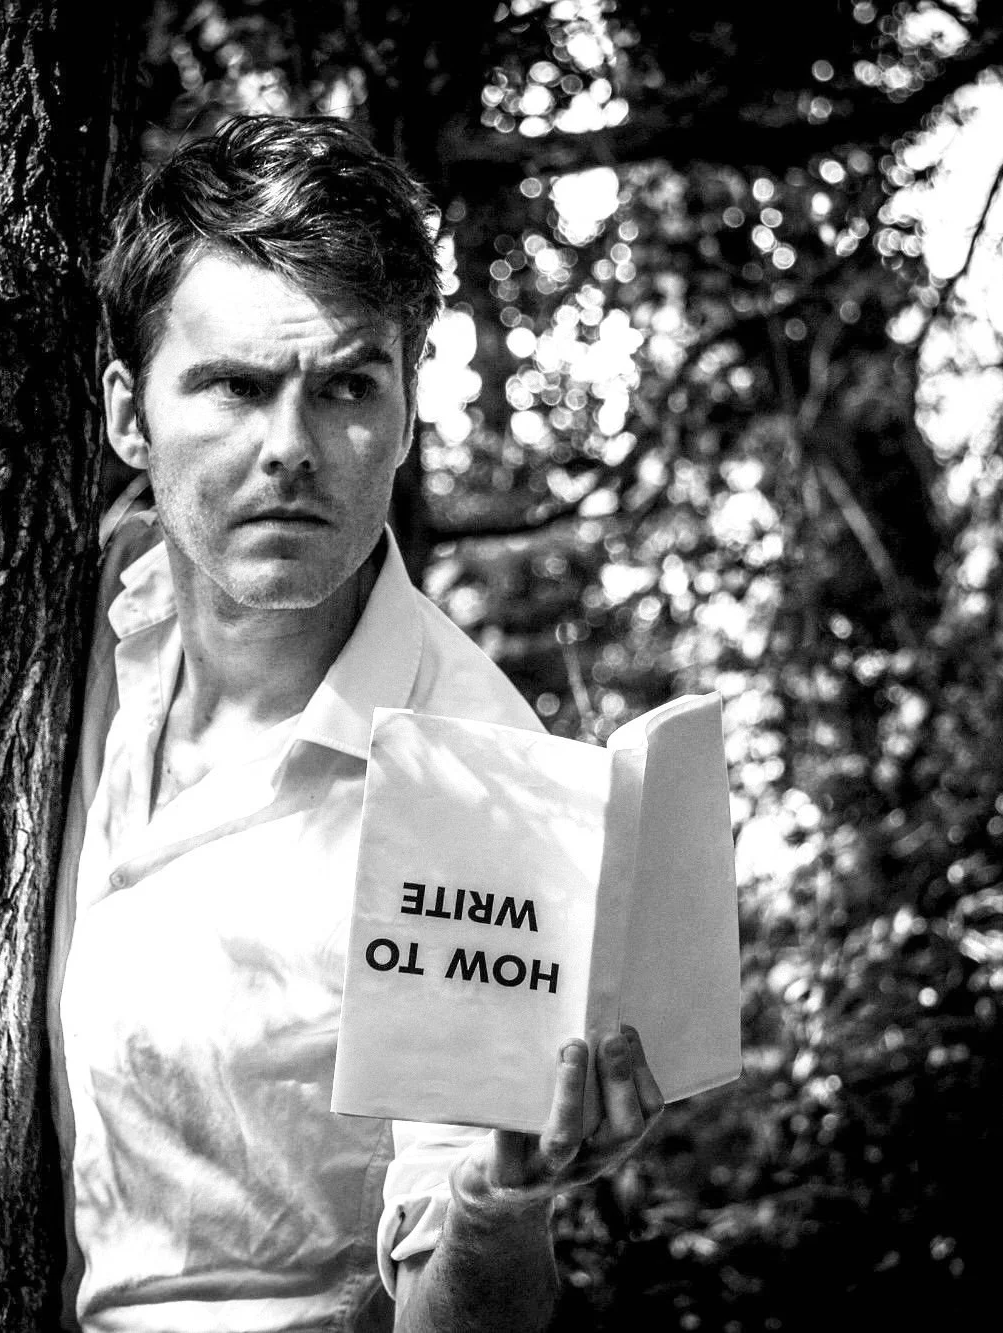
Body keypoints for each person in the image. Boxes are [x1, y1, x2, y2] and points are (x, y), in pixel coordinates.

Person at [47, 113, 665, 1333]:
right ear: (131, 416)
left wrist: (499, 1208)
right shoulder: (97, 600)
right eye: (230, 386)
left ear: (403, 411)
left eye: (344, 388)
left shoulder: (479, 787)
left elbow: (461, 1317)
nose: (290, 450)